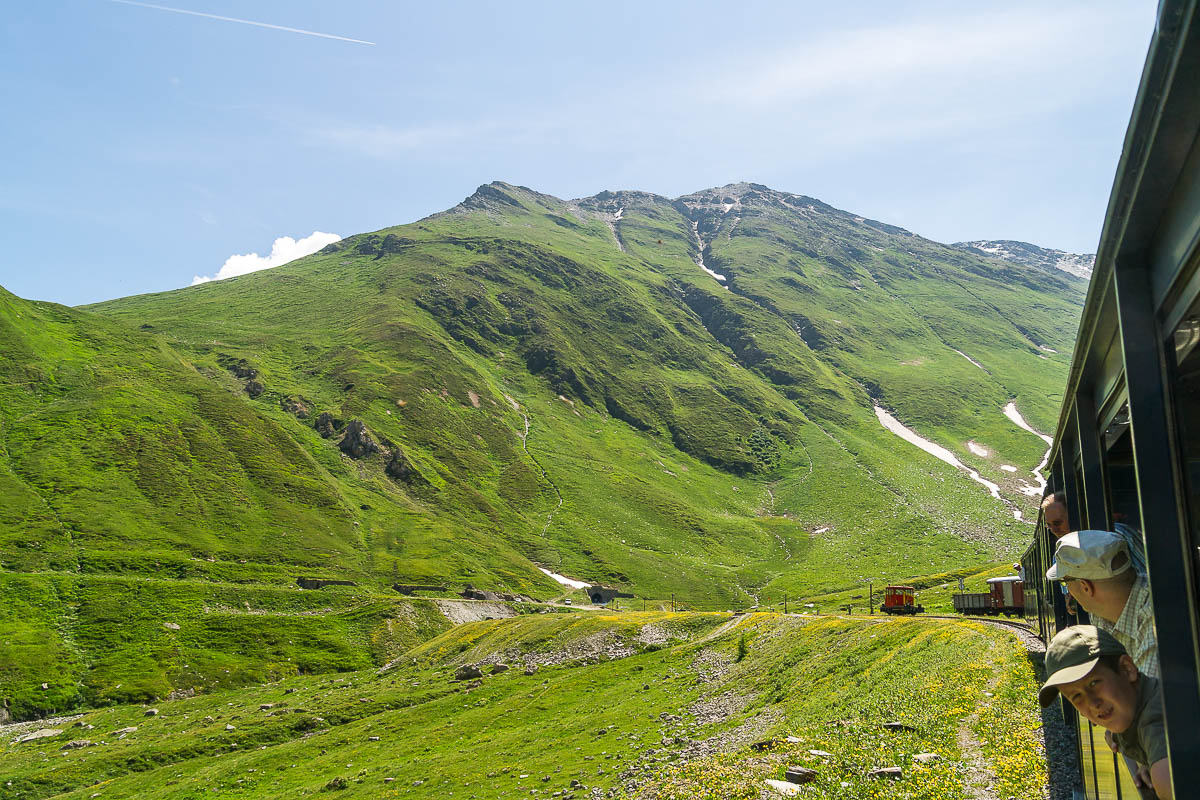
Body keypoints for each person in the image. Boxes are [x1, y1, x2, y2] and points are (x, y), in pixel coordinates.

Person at [1039, 626, 1171, 799]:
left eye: (1094, 683)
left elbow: (1168, 780)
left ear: (1127, 669)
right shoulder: (1137, 707)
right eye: (1077, 696)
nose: (1093, 703)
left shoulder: (1158, 720)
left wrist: (1155, 763)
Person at [1046, 530, 1159, 678]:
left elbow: (1151, 698)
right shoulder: (1101, 613)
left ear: (1085, 586)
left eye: (1064, 582)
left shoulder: (1155, 620)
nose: (1069, 591)